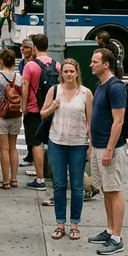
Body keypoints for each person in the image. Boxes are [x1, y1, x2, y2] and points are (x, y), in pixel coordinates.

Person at [40, 58, 92, 240]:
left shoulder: (86, 93)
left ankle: (75, 225)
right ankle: (60, 224)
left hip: (78, 144)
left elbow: (90, 122)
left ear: (77, 73)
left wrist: (90, 146)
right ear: (61, 74)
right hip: (57, 143)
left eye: (72, 71)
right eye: (65, 71)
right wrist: (53, 107)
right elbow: (42, 113)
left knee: (77, 187)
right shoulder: (55, 90)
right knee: (59, 185)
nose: (69, 74)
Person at [88, 48, 127, 255]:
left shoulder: (115, 87)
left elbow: (118, 121)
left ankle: (117, 238)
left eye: (95, 62)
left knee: (114, 190)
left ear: (106, 64)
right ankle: (110, 230)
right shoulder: (100, 85)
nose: (91, 65)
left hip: (110, 147)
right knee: (106, 190)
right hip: (99, 145)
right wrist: (92, 144)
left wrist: (109, 149)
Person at [21, 34, 60, 190]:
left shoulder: (30, 66)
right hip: (51, 109)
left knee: (36, 143)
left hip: (34, 109)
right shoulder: (57, 65)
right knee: (52, 142)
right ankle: (55, 175)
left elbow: (25, 87)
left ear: (35, 48)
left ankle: (40, 179)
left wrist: (24, 107)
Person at [0, 48, 22, 190]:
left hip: (1, 114)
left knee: (4, 149)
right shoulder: (19, 77)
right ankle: (14, 179)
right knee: (13, 148)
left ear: (1, 61)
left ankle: (5, 181)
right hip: (16, 114)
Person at [18, 37, 36, 164]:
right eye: (21, 46)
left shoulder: (34, 63)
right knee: (28, 128)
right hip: (26, 99)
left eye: (25, 47)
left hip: (33, 101)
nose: (22, 49)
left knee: (33, 130)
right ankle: (30, 155)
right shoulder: (22, 63)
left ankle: (33, 156)